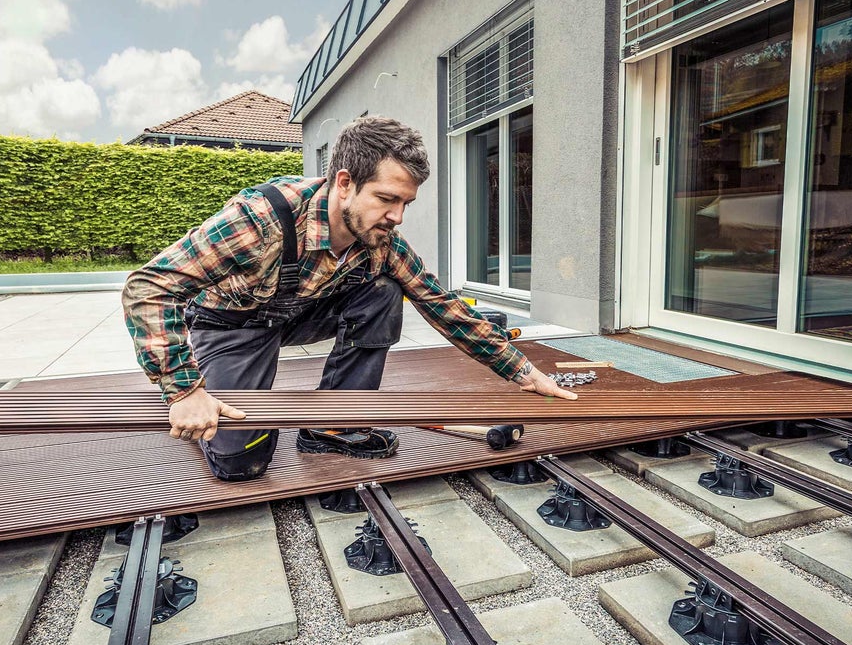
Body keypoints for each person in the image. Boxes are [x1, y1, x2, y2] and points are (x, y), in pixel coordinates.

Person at [122, 115, 574, 481]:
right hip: (231, 325)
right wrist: (185, 390)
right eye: (386, 198)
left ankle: (332, 422)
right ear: (344, 183)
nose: (396, 216)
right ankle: (218, 395)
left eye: (405, 204)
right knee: (242, 464)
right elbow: (149, 287)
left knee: (383, 290)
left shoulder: (380, 239)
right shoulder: (260, 218)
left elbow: (442, 306)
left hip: (296, 314)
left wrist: (523, 370)